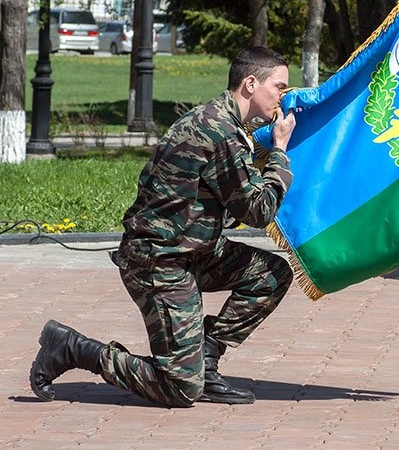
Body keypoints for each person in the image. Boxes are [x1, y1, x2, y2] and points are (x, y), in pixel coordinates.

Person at [29, 46, 297, 408]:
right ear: (250, 84)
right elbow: (259, 210)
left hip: (192, 251)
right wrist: (280, 153)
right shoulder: (221, 133)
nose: (285, 96)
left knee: (271, 273)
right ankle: (75, 350)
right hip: (159, 262)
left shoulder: (220, 121)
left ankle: (206, 360)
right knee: (181, 389)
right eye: (279, 87)